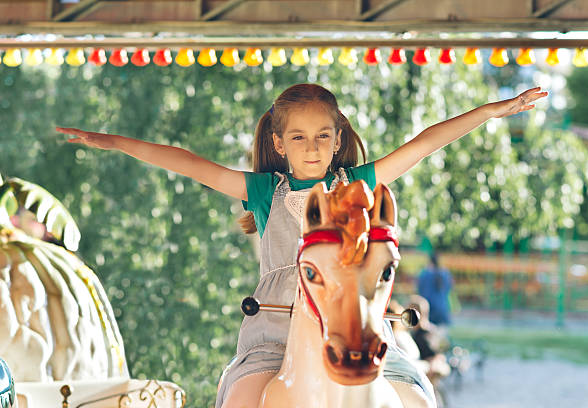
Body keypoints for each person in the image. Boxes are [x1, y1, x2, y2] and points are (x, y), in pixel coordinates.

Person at [56, 83, 546, 407]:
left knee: (415, 394)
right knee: (243, 396)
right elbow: (186, 162)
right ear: (279, 141)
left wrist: (494, 111)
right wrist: (116, 142)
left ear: (337, 140)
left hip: (357, 321)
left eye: (322, 136)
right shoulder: (266, 191)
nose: (311, 146)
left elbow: (423, 144)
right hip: (275, 329)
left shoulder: (358, 182)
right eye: (299, 136)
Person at [418, 252, 453, 327]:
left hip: (428, 309)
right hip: (442, 308)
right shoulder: (445, 274)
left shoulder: (425, 274)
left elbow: (420, 289)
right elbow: (449, 288)